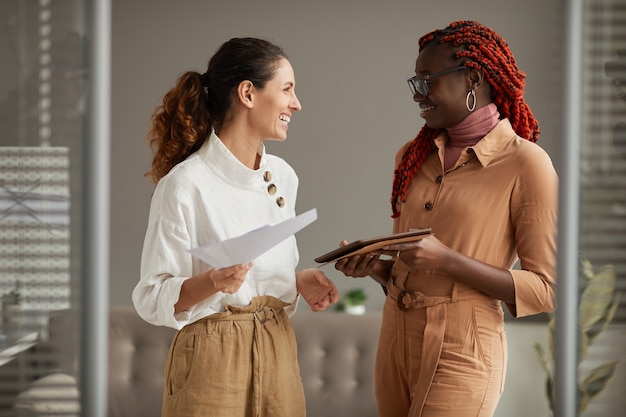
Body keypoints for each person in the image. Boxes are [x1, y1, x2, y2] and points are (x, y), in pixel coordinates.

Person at [334, 20, 558, 417]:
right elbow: (416, 265)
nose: (418, 94)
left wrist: (447, 259)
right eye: (415, 82)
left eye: (427, 80)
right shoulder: (411, 157)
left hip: (464, 344)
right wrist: (377, 268)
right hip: (395, 335)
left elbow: (544, 290)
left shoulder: (527, 164)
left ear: (472, 78)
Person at [132, 37, 339, 417]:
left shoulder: (284, 176)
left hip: (278, 345)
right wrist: (211, 282)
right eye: (287, 89)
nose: (296, 103)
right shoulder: (184, 185)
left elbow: (253, 274)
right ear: (247, 93)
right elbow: (151, 296)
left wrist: (294, 280)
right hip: (212, 359)